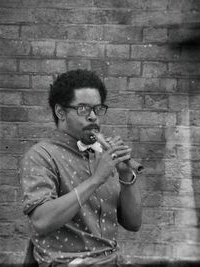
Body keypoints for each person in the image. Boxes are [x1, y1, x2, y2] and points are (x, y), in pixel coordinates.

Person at [19, 69, 142, 266]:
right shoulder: (41, 155)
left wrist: (126, 176)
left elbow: (133, 223)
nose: (93, 117)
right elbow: (41, 221)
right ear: (60, 112)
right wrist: (96, 180)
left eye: (98, 109)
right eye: (83, 109)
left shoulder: (103, 155)